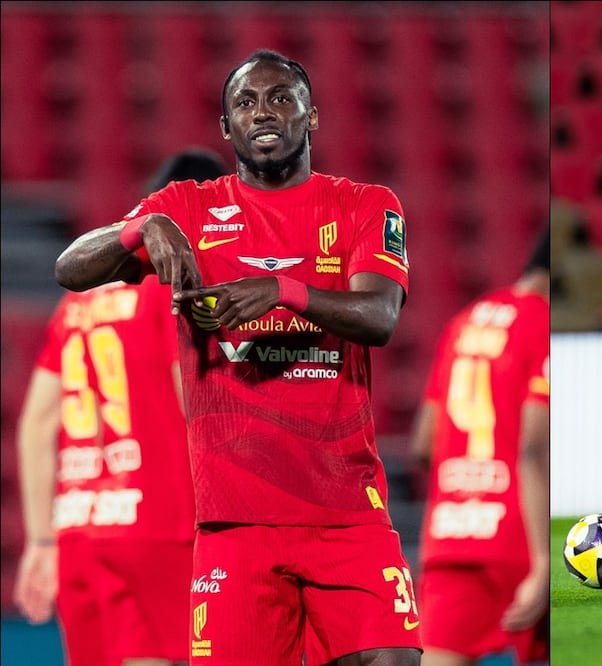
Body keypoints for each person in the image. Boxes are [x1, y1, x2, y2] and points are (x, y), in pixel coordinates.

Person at [54, 50, 420, 665]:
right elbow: (69, 268)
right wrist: (139, 230)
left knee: (393, 660)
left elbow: (379, 318)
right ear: (226, 128)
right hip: (235, 525)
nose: (263, 112)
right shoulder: (189, 208)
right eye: (245, 103)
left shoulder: (364, 204)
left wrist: (283, 290)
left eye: (281, 97)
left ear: (313, 115)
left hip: (348, 512)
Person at [13, 149, 228, 666]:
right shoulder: (167, 287)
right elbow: (196, 403)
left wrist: (41, 540)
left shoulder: (77, 300)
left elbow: (36, 423)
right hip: (162, 523)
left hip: (81, 528)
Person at [410, 229, 550, 666]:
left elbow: (423, 443)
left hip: (451, 532)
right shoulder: (543, 324)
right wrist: (544, 561)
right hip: (518, 538)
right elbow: (533, 451)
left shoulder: (462, 323)